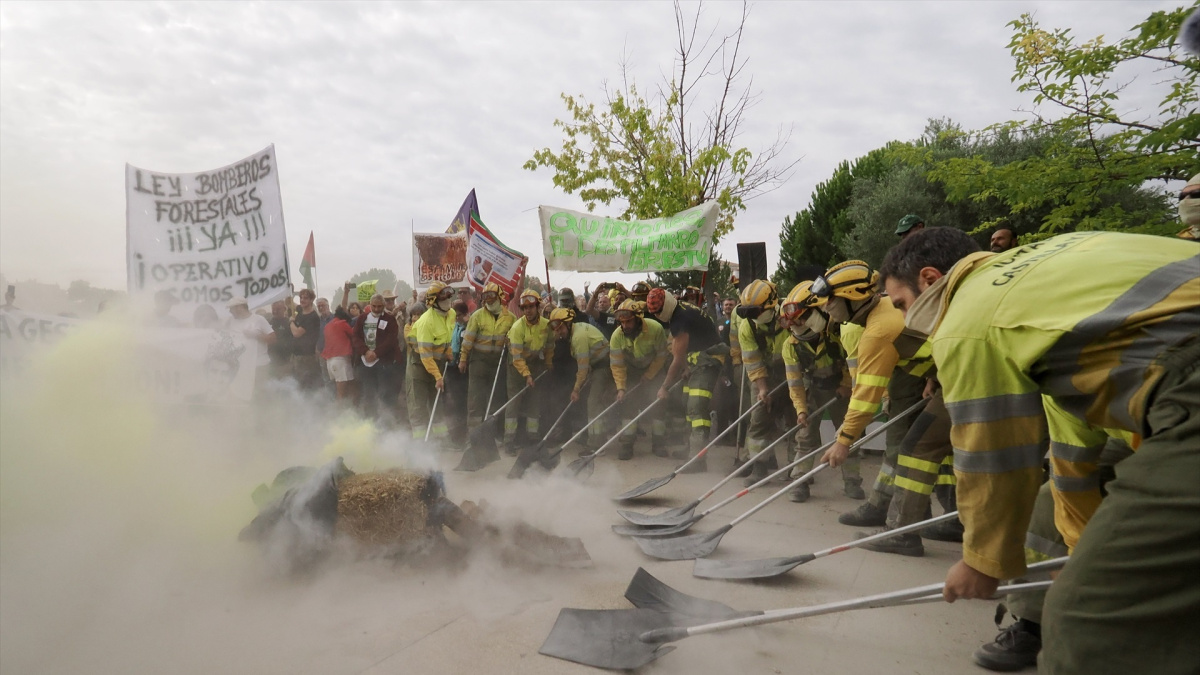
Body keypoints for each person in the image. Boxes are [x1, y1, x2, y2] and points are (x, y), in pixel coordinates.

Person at [878, 226, 1199, 674]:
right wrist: (1079, 551)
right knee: (1053, 511)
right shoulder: (1053, 265)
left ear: (930, 280)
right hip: (1164, 398)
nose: (905, 320)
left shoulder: (968, 321)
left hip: (1186, 388)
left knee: (1086, 622)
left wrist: (982, 562)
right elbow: (1073, 454)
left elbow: (990, 455)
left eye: (901, 304)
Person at [800, 261, 937, 528]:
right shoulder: (882, 309)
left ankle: (901, 522)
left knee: (908, 449)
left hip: (955, 377)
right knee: (909, 446)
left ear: (852, 297)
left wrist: (844, 440)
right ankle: (890, 508)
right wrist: (931, 376)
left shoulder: (877, 332)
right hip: (930, 376)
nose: (826, 307)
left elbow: (864, 396)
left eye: (831, 301)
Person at [778, 281, 857, 502]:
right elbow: (794, 382)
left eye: (800, 319)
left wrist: (846, 384)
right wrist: (801, 410)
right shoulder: (791, 346)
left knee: (849, 434)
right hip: (812, 387)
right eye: (793, 322)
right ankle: (800, 482)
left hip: (840, 388)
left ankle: (852, 481)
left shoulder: (839, 332)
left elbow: (853, 362)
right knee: (805, 437)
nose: (796, 325)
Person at [645, 286, 727, 470]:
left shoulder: (679, 319)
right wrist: (687, 367)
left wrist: (664, 387)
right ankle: (691, 448)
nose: (657, 316)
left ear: (665, 306)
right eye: (653, 313)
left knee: (696, 407)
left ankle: (698, 460)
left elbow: (677, 357)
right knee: (687, 401)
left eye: (658, 312)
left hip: (708, 361)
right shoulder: (680, 309)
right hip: (697, 360)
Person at [736, 280, 797, 485]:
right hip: (766, 375)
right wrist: (762, 389)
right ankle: (759, 468)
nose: (753, 316)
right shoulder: (747, 327)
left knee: (796, 422)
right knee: (759, 421)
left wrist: (797, 382)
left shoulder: (791, 317)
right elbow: (752, 361)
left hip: (795, 373)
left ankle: (796, 470)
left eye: (756, 311)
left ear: (772, 305)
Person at [608, 299, 669, 459]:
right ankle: (627, 444)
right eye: (622, 322)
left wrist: (649, 375)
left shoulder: (655, 329)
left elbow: (662, 356)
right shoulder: (616, 336)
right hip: (631, 371)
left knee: (658, 405)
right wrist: (621, 388)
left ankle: (659, 444)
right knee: (629, 405)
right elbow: (617, 366)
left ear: (638, 318)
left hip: (655, 369)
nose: (625, 326)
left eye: (629, 321)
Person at [548, 307, 611, 451]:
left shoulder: (578, 337)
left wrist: (576, 389)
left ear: (569, 323)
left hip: (603, 367)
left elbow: (582, 369)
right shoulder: (575, 331)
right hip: (596, 367)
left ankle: (596, 445)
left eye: (561, 328)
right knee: (593, 401)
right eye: (556, 330)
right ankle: (597, 438)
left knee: (593, 403)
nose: (559, 332)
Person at [459, 283, 516, 429]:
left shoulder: (510, 318)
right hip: (478, 361)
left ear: (500, 297)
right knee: (475, 398)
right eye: (485, 296)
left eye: (491, 296)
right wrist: (463, 359)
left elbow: (514, 342)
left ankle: (492, 431)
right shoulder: (477, 316)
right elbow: (468, 340)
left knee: (496, 398)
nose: (488, 299)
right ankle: (474, 433)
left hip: (498, 362)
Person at [505, 290, 553, 453]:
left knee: (535, 401)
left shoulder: (546, 325)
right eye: (525, 308)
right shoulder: (517, 327)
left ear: (538, 306)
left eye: (531, 307)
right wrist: (527, 375)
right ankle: (509, 441)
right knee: (514, 402)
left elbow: (549, 346)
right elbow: (517, 357)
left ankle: (533, 437)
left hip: (535, 364)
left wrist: (548, 363)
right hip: (516, 366)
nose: (528, 310)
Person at [408, 282, 456, 440]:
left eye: (449, 296)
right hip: (420, 363)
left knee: (437, 402)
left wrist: (448, 351)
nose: (448, 300)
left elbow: (447, 336)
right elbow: (426, 355)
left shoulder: (451, 314)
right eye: (443, 297)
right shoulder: (425, 322)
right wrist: (438, 377)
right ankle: (420, 442)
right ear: (433, 301)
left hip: (438, 361)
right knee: (419, 404)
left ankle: (441, 440)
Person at [351, 293, 400, 421]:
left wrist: (376, 353)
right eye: (374, 306)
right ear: (370, 305)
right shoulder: (362, 318)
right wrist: (365, 351)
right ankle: (370, 419)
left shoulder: (390, 320)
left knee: (385, 392)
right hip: (365, 361)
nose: (377, 309)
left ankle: (386, 420)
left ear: (383, 305)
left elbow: (391, 339)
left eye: (379, 306)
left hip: (383, 362)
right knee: (368, 393)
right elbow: (355, 336)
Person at [226, 296, 274, 397]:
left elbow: (273, 339)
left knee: (260, 394)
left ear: (239, 307)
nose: (230, 311)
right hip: (240, 367)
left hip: (259, 365)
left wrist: (257, 335)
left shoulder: (259, 319)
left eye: (231, 309)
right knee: (242, 394)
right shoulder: (231, 321)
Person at [321, 306, 356, 403]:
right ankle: (339, 411)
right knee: (341, 392)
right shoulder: (342, 323)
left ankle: (349, 408)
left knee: (349, 386)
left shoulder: (327, 326)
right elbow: (354, 335)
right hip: (340, 359)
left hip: (330, 360)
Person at [290, 289, 322, 390]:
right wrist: (289, 291)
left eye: (305, 298)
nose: (302, 300)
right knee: (298, 383)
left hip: (307, 357)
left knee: (307, 384)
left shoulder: (312, 317)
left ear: (311, 300)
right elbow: (290, 303)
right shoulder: (300, 310)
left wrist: (291, 322)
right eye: (301, 297)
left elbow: (297, 333)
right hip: (297, 355)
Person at [267, 300, 294, 380]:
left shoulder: (289, 322)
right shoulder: (268, 323)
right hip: (272, 360)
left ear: (284, 309)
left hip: (286, 360)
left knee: (287, 382)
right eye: (273, 309)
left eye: (278, 309)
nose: (275, 311)